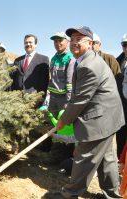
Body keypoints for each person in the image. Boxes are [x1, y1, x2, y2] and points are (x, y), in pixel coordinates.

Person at [55, 26, 123, 198]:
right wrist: (68, 111)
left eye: (80, 39)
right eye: (72, 39)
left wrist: (64, 120)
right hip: (109, 117)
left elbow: (80, 100)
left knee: (85, 157)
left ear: (90, 43)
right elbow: (80, 96)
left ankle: (69, 194)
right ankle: (112, 194)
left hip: (100, 119)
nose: (74, 43)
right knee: (107, 160)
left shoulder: (89, 65)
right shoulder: (87, 60)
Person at [43, 32, 75, 116]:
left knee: (63, 124)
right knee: (53, 122)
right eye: (55, 41)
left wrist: (68, 101)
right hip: (52, 98)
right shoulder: (54, 58)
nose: (57, 43)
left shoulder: (70, 57)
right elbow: (51, 78)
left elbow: (70, 82)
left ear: (67, 42)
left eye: (60, 40)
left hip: (63, 98)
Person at [117, 34, 127, 158]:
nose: (126, 48)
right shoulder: (118, 61)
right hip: (121, 105)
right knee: (121, 134)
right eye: (124, 45)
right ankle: (120, 163)